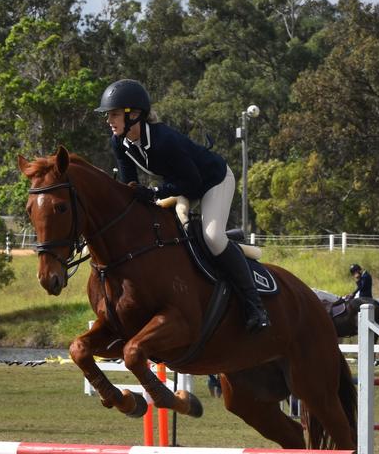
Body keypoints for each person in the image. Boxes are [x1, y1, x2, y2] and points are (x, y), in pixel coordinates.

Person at [97, 78, 269, 332]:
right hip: (180, 184)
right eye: (108, 115)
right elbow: (130, 186)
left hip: (213, 180)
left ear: (133, 115)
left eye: (113, 115)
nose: (108, 121)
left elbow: (192, 181)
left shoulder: (164, 139)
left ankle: (255, 306)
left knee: (212, 238)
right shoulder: (119, 143)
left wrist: (156, 191)